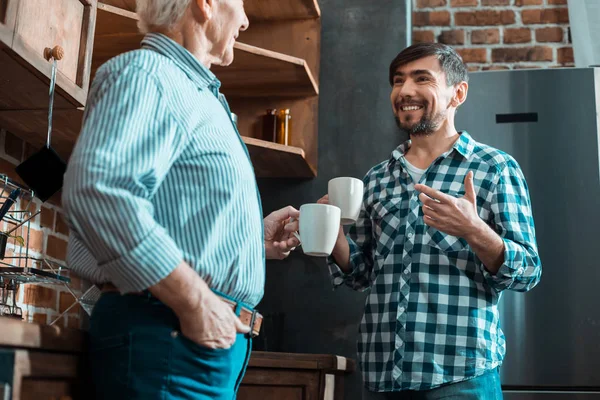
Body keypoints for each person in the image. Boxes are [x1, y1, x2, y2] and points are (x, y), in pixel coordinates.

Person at [61, 0, 299, 399]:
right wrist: (193, 301)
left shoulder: (192, 90)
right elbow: (99, 193)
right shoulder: (147, 74)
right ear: (205, 5)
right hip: (168, 334)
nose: (244, 20)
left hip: (189, 341)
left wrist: (251, 245)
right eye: (239, 5)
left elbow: (173, 214)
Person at [320, 43, 542, 399]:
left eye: (421, 79)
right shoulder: (376, 179)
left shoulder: (494, 168)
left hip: (461, 378)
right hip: (382, 376)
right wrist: (335, 239)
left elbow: (528, 271)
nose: (405, 91)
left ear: (458, 93)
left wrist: (473, 229)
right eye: (398, 81)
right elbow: (361, 275)